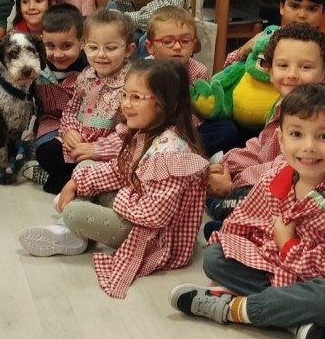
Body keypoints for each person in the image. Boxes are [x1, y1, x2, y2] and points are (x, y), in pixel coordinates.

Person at [170, 83, 325, 339]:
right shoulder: (277, 175)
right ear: (282, 138)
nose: (309, 147)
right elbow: (239, 223)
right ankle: (296, 317)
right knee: (216, 256)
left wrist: (288, 245)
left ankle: (235, 309)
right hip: (276, 267)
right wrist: (246, 240)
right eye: (297, 134)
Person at [19, 59, 208, 300]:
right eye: (125, 95)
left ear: (166, 105)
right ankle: (71, 233)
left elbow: (154, 215)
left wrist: (122, 195)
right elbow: (118, 170)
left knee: (73, 213)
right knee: (86, 167)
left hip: (153, 236)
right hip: (135, 207)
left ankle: (69, 228)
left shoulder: (170, 152)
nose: (125, 105)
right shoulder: (144, 133)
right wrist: (76, 183)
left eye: (137, 98)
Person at [204, 23, 325, 239]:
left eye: (305, 67)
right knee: (223, 187)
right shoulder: (284, 107)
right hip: (289, 196)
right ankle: (233, 215)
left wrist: (235, 181)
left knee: (245, 197)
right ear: (270, 72)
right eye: (283, 66)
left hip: (323, 211)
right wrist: (224, 165)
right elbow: (261, 147)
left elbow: (286, 170)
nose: (292, 75)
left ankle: (238, 220)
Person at [37, 8, 135, 195]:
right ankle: (78, 182)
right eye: (93, 47)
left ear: (129, 50)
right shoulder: (86, 75)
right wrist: (70, 131)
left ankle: (82, 183)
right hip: (80, 143)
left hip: (109, 153)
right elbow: (71, 109)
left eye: (111, 48)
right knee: (46, 153)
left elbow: (130, 134)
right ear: (84, 46)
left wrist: (96, 149)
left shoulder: (131, 83)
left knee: (109, 166)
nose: (101, 55)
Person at [144, 5, 238, 156]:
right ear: (150, 47)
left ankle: (187, 154)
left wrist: (209, 106)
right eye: (167, 42)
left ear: (193, 45)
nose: (177, 47)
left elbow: (202, 112)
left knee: (227, 129)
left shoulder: (199, 70)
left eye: (185, 41)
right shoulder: (143, 72)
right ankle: (168, 154)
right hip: (156, 131)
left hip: (189, 130)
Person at [22, 3, 87, 187]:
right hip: (51, 122)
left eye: (66, 46)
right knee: (48, 154)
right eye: (50, 46)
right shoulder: (35, 67)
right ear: (41, 41)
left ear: (81, 42)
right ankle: (73, 183)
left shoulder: (90, 70)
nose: (58, 54)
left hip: (83, 127)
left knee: (80, 155)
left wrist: (74, 131)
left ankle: (63, 182)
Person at [224, 0, 325, 67]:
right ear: (282, 7)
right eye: (294, 6)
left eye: (312, 9)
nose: (302, 15)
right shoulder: (268, 37)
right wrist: (243, 51)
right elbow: (227, 68)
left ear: (323, 13)